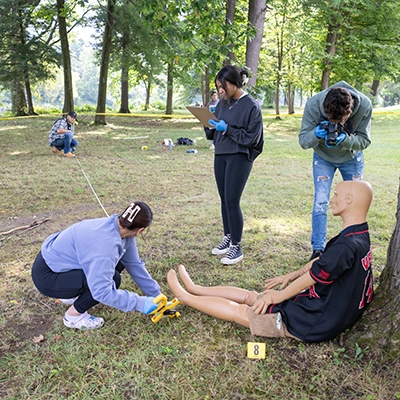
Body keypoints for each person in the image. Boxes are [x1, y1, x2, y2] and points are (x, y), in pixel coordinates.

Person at [167, 181, 373, 343]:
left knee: (244, 312)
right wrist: (290, 276)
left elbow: (313, 277)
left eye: (336, 194)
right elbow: (321, 263)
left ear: (349, 200)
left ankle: (185, 297)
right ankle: (196, 288)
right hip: (319, 308)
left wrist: (279, 295)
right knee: (253, 297)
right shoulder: (359, 235)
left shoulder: (346, 246)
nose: (332, 199)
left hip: (311, 322)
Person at [31, 201, 162, 330]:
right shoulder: (106, 246)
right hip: (48, 276)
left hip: (60, 263)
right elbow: (102, 292)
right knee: (113, 280)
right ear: (140, 230)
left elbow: (134, 264)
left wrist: (156, 296)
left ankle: (72, 293)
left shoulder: (119, 230)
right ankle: (73, 316)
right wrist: (140, 303)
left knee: (119, 264)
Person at [299, 81, 372, 261]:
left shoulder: (365, 105)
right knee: (321, 202)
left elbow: (365, 140)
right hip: (323, 157)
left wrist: (346, 140)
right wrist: (316, 134)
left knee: (356, 203)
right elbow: (303, 141)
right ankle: (318, 250)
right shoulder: (313, 104)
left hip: (351, 157)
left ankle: (355, 247)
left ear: (351, 109)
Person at [204, 65, 264, 265]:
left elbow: (251, 139)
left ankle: (236, 246)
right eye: (218, 86)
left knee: (232, 200)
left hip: (239, 155)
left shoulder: (251, 106)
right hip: (220, 153)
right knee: (223, 199)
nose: (220, 90)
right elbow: (212, 134)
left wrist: (227, 128)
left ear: (234, 83)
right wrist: (207, 122)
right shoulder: (222, 104)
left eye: (223, 86)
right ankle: (228, 237)